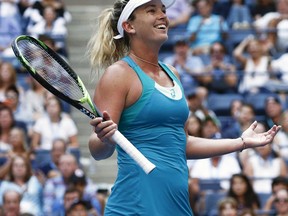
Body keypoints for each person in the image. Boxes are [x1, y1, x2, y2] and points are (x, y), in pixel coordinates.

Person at [86, 0, 281, 215]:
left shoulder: (173, 73)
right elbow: (98, 149)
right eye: (151, 11)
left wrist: (241, 142)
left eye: (163, 10)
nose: (162, 15)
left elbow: (183, 143)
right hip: (133, 207)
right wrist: (104, 138)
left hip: (176, 206)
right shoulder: (118, 74)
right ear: (129, 27)